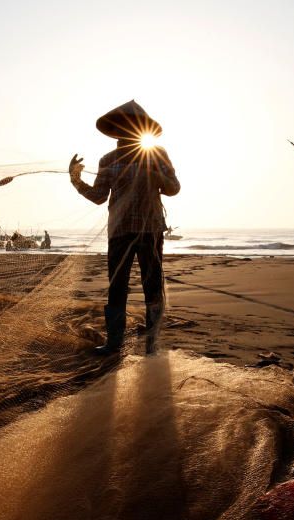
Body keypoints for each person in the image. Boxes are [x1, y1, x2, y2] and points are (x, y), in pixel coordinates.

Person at [69, 100, 180, 354]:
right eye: (124, 126)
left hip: (150, 230)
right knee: (116, 286)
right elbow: (98, 196)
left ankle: (152, 344)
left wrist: (156, 174)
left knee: (152, 286)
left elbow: (173, 188)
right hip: (119, 232)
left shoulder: (157, 154)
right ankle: (114, 343)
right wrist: (75, 179)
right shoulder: (108, 160)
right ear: (117, 130)